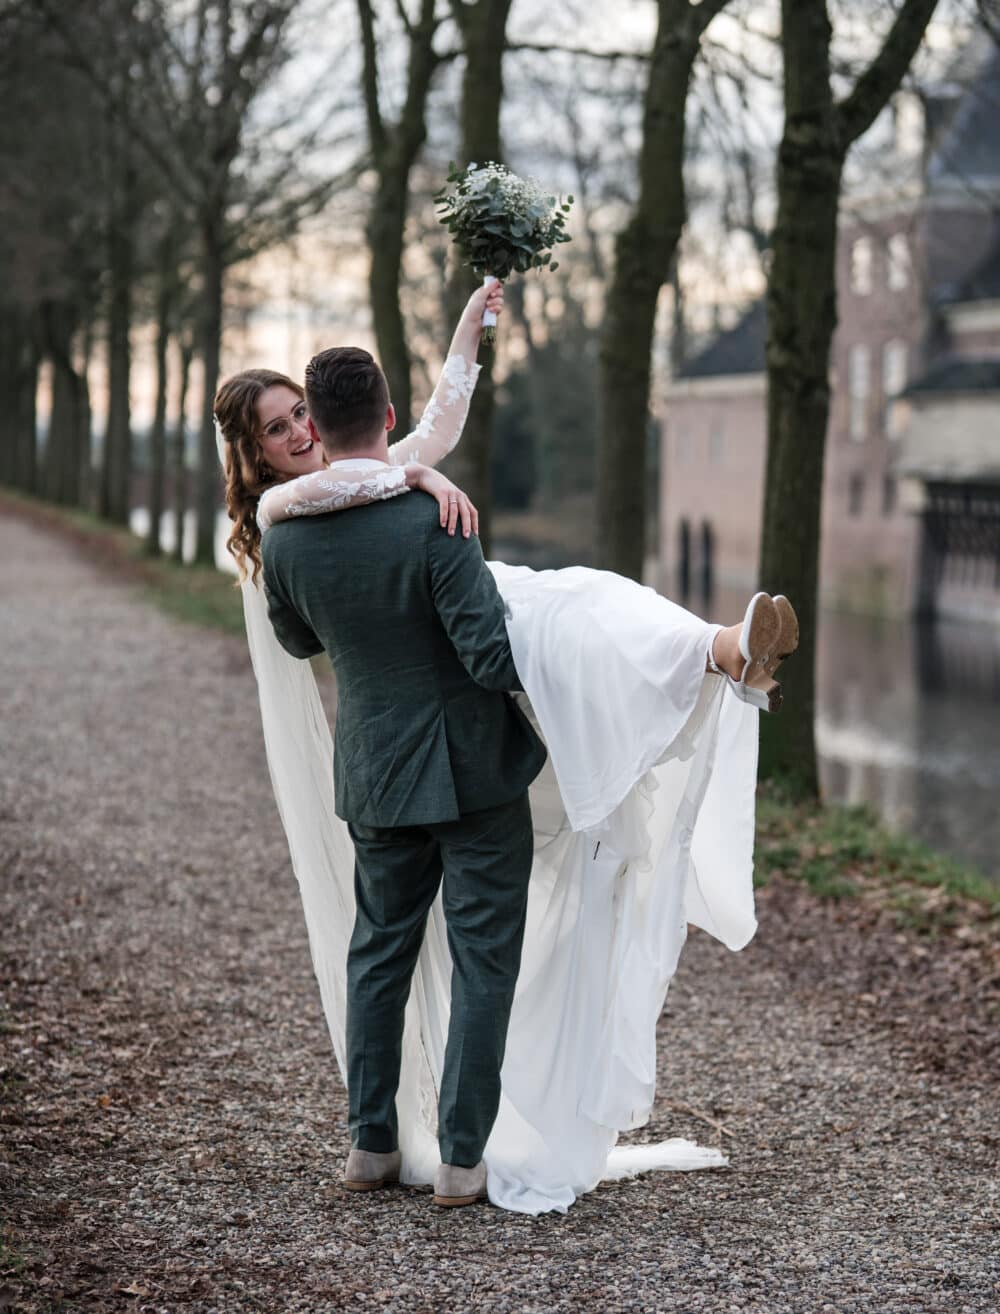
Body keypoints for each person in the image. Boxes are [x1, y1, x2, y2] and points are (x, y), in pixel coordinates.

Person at [215, 285, 798, 1215]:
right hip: (476, 777)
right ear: (388, 417)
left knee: (379, 955)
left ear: (318, 425)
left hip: (372, 773)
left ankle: (369, 1144)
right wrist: (565, 712)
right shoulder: (434, 520)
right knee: (489, 960)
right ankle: (459, 1162)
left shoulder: (281, 545)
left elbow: (296, 643)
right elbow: (489, 653)